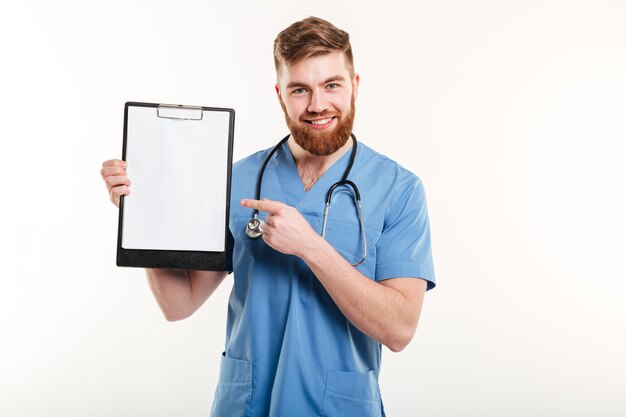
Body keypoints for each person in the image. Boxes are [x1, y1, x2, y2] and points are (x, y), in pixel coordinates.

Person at [101, 16, 435, 417]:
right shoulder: (237, 179)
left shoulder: (399, 189)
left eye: (332, 85)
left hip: (338, 406)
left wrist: (310, 247)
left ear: (355, 86)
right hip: (246, 405)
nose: (317, 104)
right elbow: (179, 304)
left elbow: (399, 330)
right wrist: (142, 218)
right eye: (300, 89)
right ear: (280, 95)